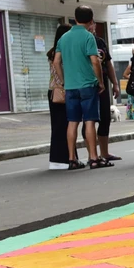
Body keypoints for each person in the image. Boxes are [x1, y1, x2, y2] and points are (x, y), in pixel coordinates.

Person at [53, 5, 106, 169]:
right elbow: (95, 61)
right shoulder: (88, 37)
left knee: (72, 122)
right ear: (91, 20)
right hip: (88, 85)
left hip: (70, 87)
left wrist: (64, 81)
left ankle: (72, 159)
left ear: (75, 18)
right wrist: (100, 81)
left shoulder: (63, 38)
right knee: (89, 121)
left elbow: (56, 62)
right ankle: (94, 158)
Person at [89, 21, 120, 162]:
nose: (91, 27)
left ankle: (104, 152)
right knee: (89, 120)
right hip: (88, 84)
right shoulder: (81, 42)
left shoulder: (100, 42)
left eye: (92, 24)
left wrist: (115, 83)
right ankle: (92, 155)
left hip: (104, 83)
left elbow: (108, 63)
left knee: (105, 117)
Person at [46, 23, 72, 170]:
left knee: (57, 126)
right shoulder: (62, 52)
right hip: (62, 90)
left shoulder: (52, 52)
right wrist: (64, 83)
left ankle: (56, 159)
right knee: (67, 125)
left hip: (52, 91)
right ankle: (66, 158)